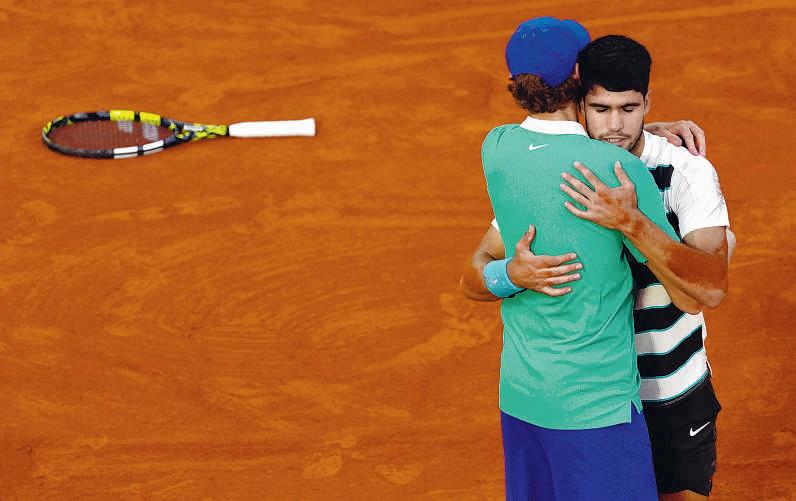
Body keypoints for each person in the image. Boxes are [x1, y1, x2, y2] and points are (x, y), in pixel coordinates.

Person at [463, 34, 735, 500]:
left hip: (670, 393)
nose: (614, 126)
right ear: (578, 102)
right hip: (595, 403)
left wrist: (632, 222)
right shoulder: (562, 170)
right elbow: (476, 270)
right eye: (601, 109)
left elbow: (705, 293)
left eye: (629, 109)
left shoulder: (686, 172)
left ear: (647, 102)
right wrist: (511, 273)